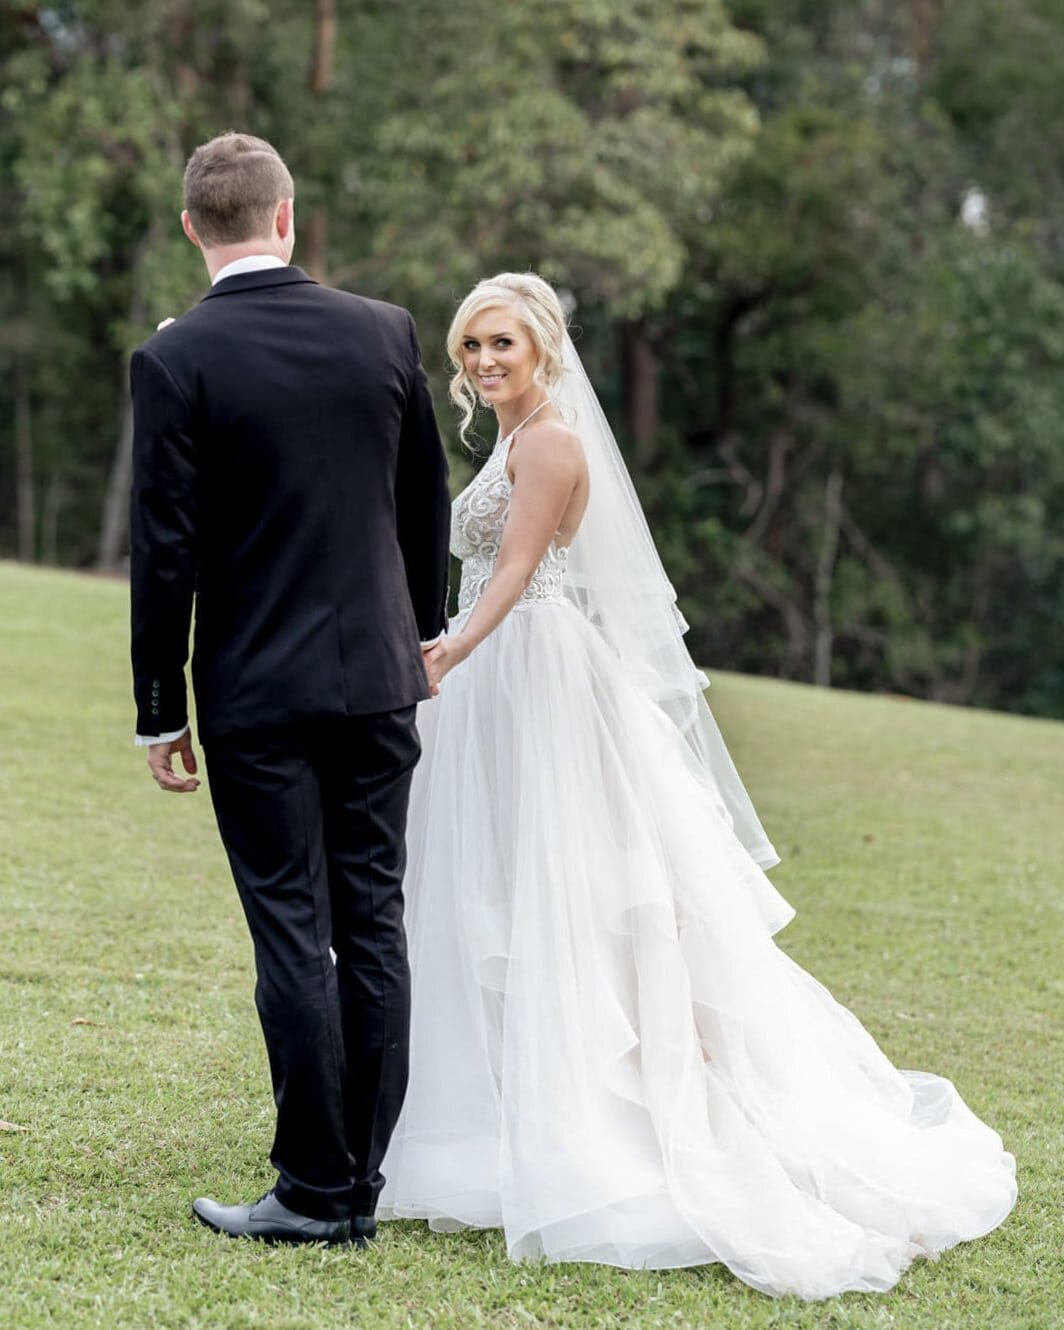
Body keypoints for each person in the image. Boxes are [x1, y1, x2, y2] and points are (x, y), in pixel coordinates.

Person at [376, 272, 1017, 1299]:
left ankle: (591, 1107)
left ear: (540, 345)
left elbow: (516, 568)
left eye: (499, 343)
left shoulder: (546, 442)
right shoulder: (508, 435)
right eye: (468, 349)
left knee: (563, 888)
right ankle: (502, 1100)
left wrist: (448, 652)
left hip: (528, 666)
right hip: (499, 673)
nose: (482, 362)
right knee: (497, 883)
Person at [129, 132, 450, 1247]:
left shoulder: (176, 358)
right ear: (285, 215)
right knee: (373, 923)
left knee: (291, 932)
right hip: (378, 677)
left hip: (256, 691)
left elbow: (163, 549)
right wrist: (423, 635)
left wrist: (158, 704)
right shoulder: (382, 330)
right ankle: (361, 1176)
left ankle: (317, 1192)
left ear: (191, 229)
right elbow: (424, 504)